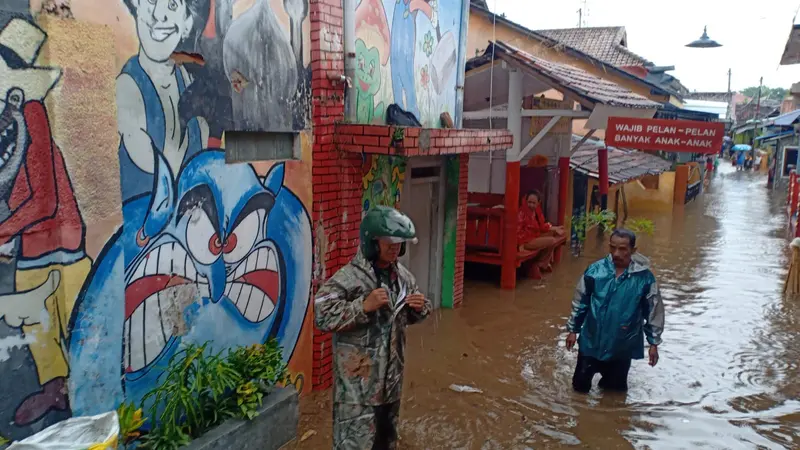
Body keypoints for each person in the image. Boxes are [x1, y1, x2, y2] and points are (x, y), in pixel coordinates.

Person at [315, 206, 432, 449]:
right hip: (357, 390)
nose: (395, 248)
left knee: (386, 442)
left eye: (399, 243)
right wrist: (362, 307)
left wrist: (419, 308)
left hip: (390, 385)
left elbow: (412, 315)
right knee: (354, 444)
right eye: (389, 242)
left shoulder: (403, 278)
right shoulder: (349, 278)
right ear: (372, 241)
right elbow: (321, 314)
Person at [565, 229, 664, 393]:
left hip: (622, 345)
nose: (616, 253)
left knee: (614, 394)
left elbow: (654, 311)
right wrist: (573, 330)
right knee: (579, 388)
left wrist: (654, 343)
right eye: (612, 248)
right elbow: (580, 301)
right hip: (591, 340)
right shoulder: (595, 271)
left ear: (633, 250)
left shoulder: (645, 279)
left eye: (623, 249)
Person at [517, 190, 564, 277]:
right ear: (526, 201)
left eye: (533, 203)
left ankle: (543, 263)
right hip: (527, 241)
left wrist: (555, 229)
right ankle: (539, 264)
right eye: (529, 202)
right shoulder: (522, 212)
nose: (531, 205)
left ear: (538, 203)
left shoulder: (537, 212)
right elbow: (517, 230)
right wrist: (520, 244)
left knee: (555, 235)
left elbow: (542, 226)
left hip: (535, 236)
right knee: (552, 241)